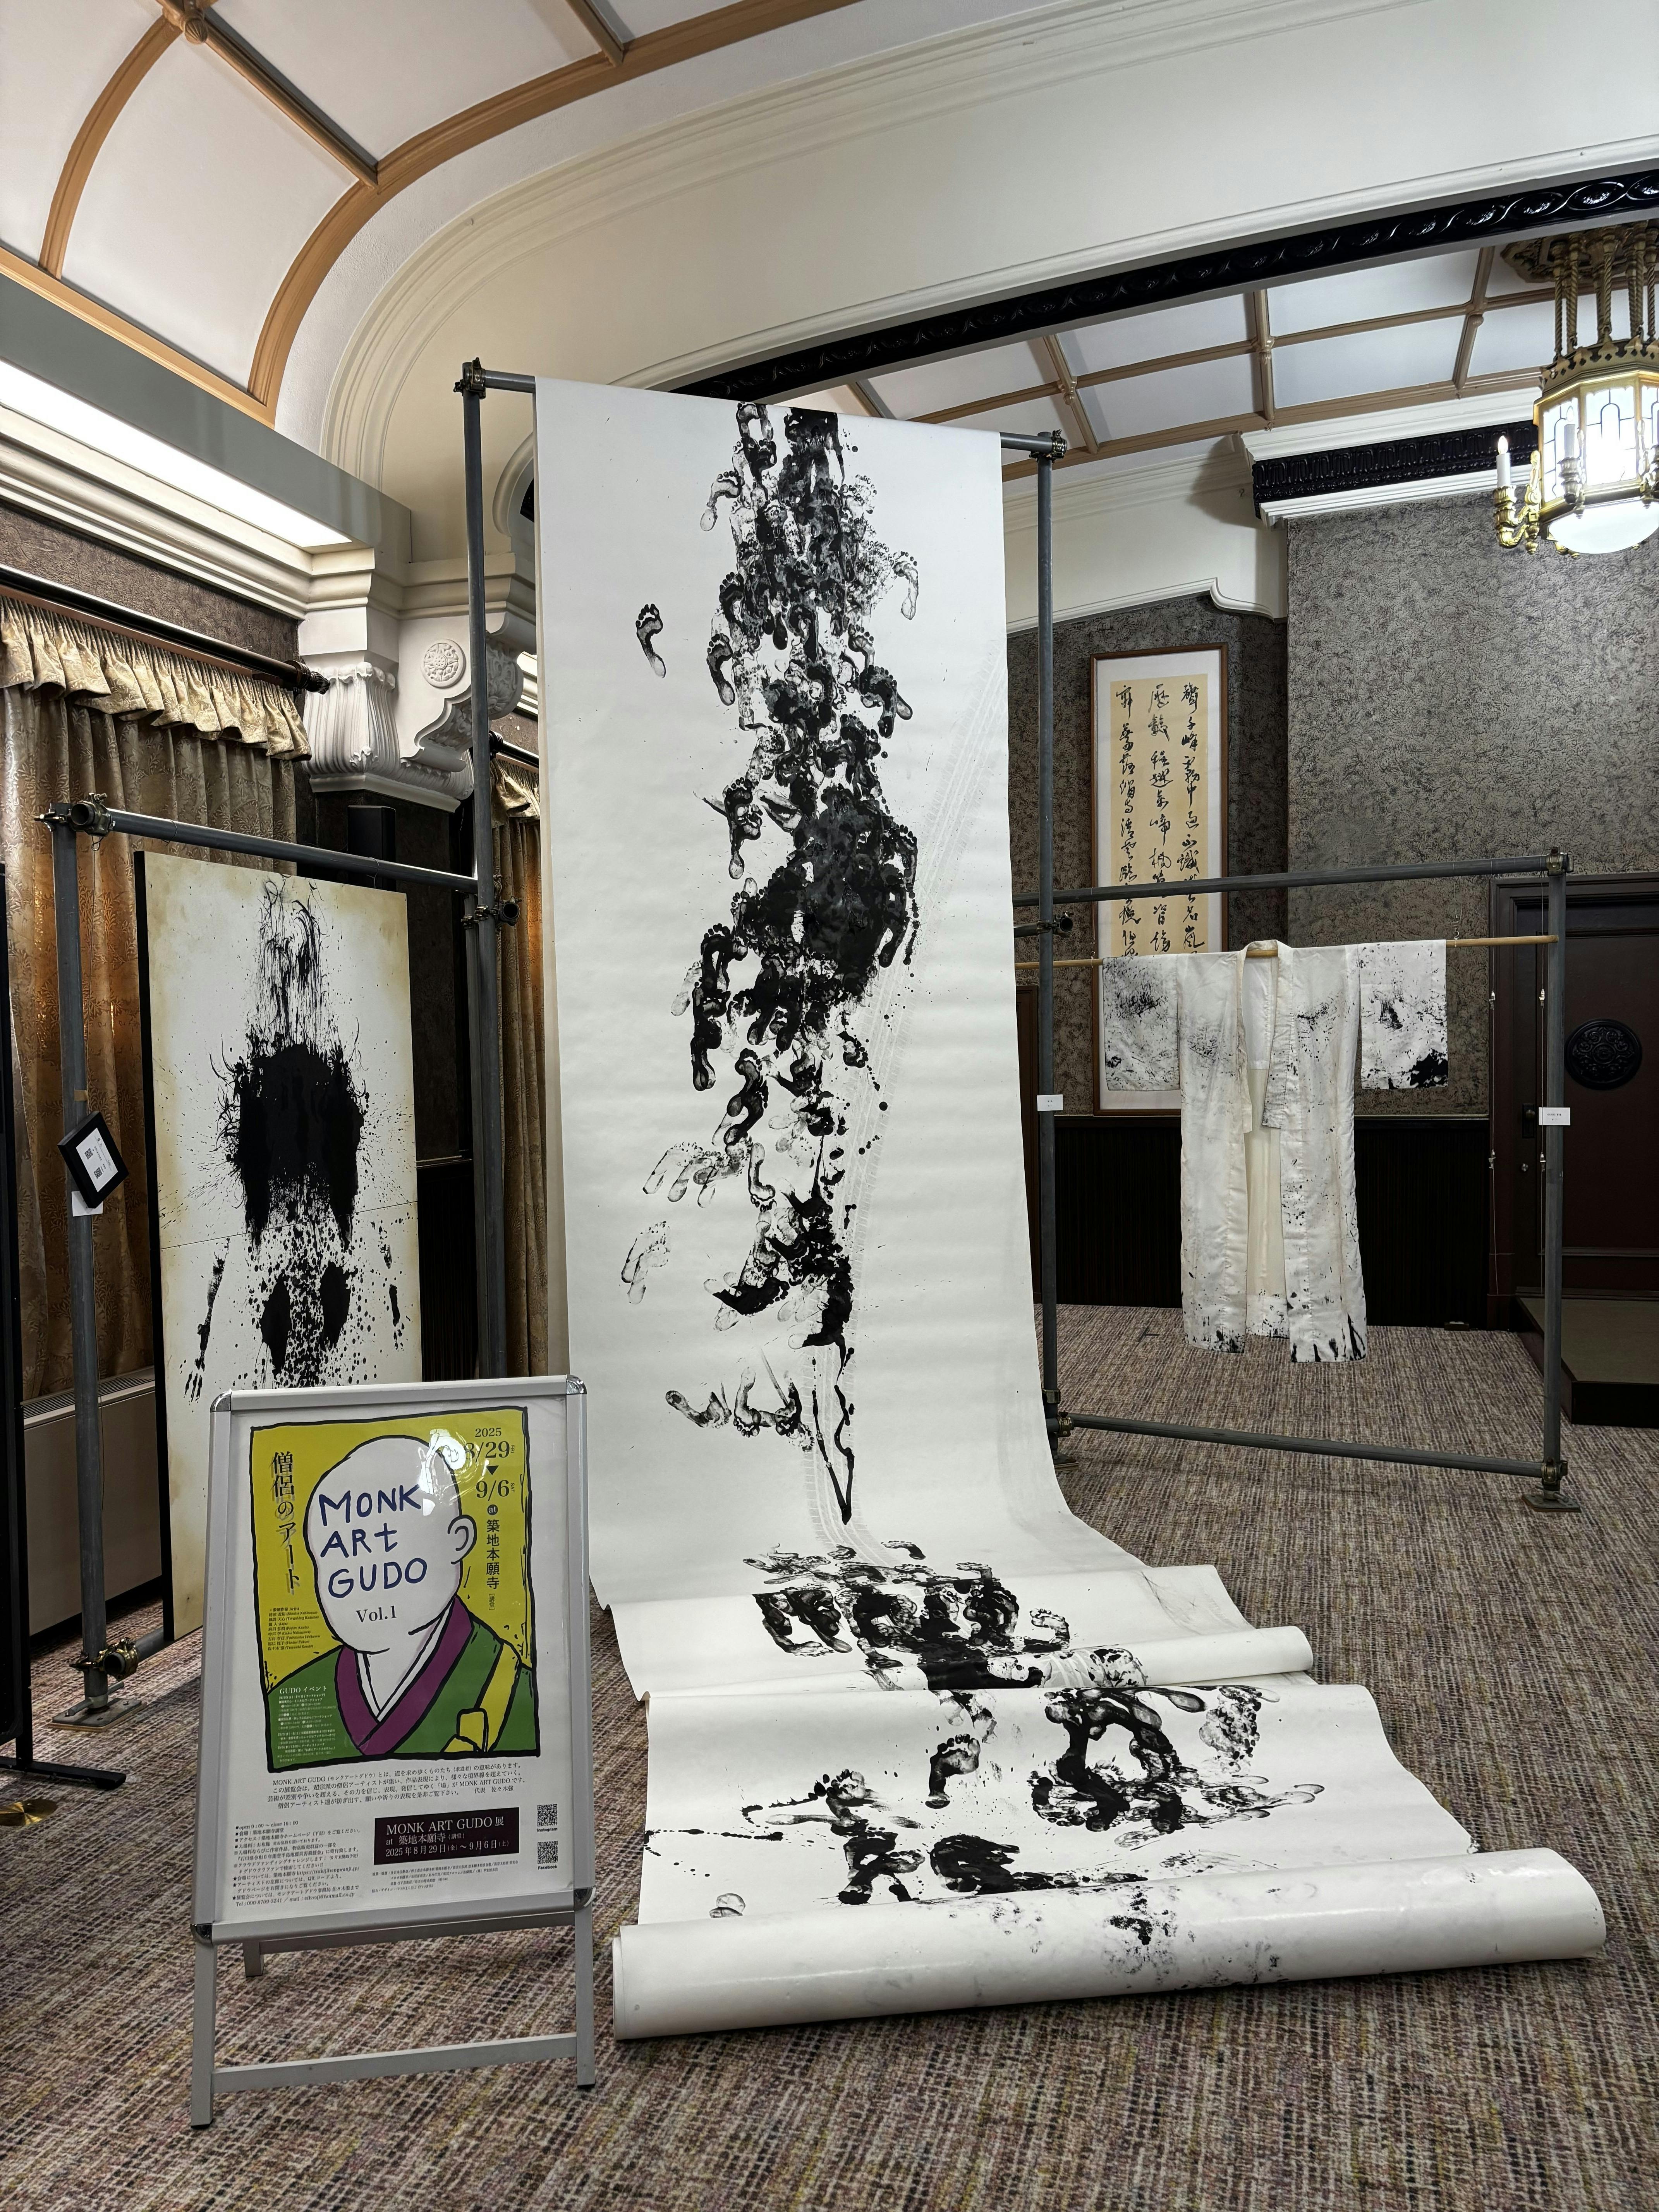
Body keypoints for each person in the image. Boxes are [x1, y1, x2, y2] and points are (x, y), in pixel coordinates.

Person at [265, 1429, 536, 1769]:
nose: (365, 1577)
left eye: (397, 1541)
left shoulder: (515, 1689)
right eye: (336, 1555)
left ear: (458, 1540)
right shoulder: (290, 1701)